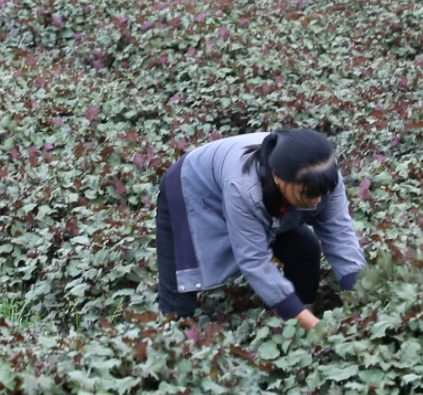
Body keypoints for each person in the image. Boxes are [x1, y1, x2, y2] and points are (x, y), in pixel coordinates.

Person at [154, 128, 367, 330]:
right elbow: (254, 261)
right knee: (180, 300)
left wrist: (362, 299)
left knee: (305, 249)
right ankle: (171, 340)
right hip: (191, 189)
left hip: (261, 196)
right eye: (308, 194)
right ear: (278, 177)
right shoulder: (244, 187)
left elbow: (341, 236)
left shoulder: (323, 176)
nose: (317, 201)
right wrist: (315, 327)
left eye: (323, 193)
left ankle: (299, 319)